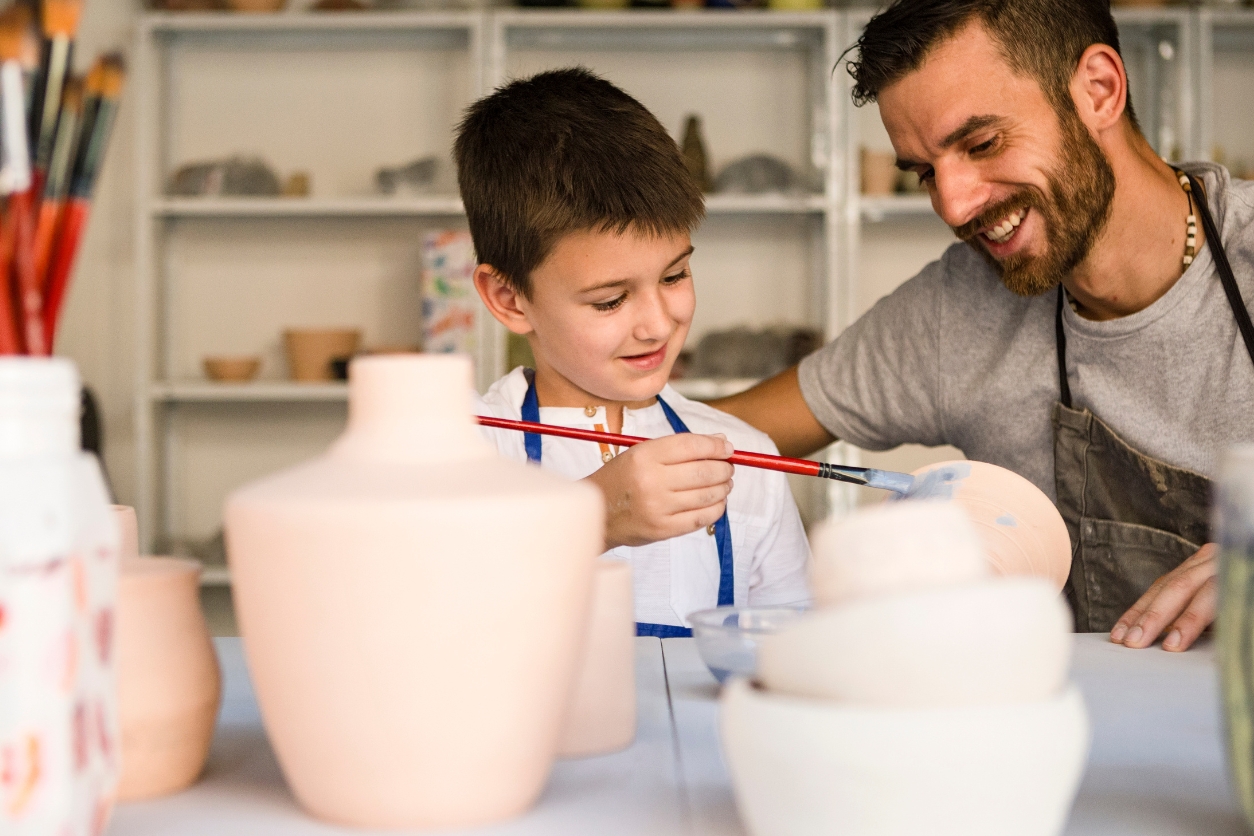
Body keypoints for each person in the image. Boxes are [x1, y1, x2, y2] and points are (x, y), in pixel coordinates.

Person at [713, 0, 1254, 652]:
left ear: (1099, 91)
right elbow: (715, 437)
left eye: (981, 143)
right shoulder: (956, 309)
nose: (954, 204)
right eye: (924, 172)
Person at [453, 68, 810, 637]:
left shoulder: (745, 459)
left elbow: (794, 655)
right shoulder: (456, 452)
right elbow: (410, 628)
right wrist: (592, 519)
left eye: (675, 275)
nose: (658, 324)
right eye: (610, 300)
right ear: (509, 297)